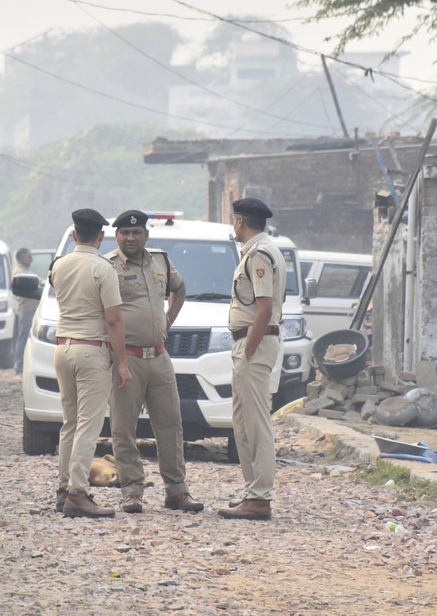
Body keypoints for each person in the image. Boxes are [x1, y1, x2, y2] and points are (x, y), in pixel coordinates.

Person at [105, 209, 203, 514]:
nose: (131, 237)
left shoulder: (159, 260)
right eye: (124, 233)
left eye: (136, 232)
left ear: (146, 235)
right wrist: (118, 359)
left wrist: (166, 322)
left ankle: (177, 490)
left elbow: (179, 288)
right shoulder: (107, 267)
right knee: (124, 429)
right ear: (116, 236)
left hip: (159, 357)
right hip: (127, 358)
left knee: (171, 425)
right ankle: (132, 491)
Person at [50, 208, 131, 518]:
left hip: (63, 348)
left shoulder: (59, 265)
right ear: (101, 236)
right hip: (91, 349)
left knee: (69, 423)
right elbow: (113, 319)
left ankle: (63, 488)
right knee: (89, 424)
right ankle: (78, 493)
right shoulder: (103, 268)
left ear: (74, 235)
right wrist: (122, 362)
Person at [219, 198, 284, 520]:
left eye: (234, 221)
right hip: (252, 343)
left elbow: (264, 308)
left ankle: (260, 497)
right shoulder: (261, 250)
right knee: (243, 422)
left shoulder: (259, 254)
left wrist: (248, 349)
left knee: (255, 423)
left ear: (240, 221)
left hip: (254, 345)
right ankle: (252, 493)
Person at [12, 247, 38, 375]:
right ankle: (19, 366)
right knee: (23, 338)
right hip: (26, 310)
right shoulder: (20, 272)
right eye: (29, 256)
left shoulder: (26, 271)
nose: (32, 259)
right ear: (21, 258)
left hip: (32, 309)